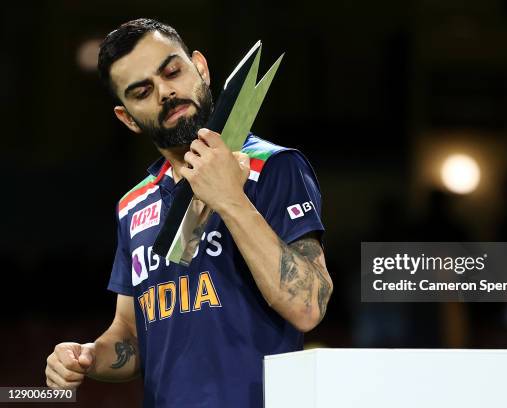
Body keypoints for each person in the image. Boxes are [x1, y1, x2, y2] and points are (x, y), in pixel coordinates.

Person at [44, 18, 333, 407]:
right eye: (142, 91)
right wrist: (88, 356)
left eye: (172, 71)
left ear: (201, 67)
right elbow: (131, 332)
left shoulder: (275, 166)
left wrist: (230, 198)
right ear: (127, 117)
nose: (165, 92)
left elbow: (309, 306)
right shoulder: (133, 205)